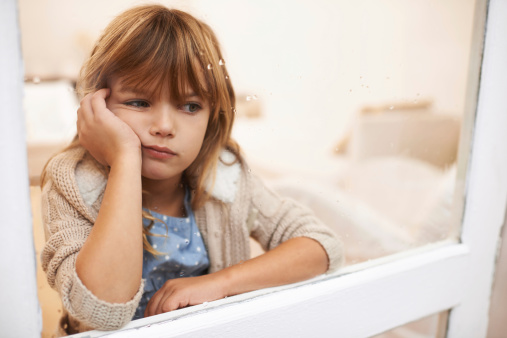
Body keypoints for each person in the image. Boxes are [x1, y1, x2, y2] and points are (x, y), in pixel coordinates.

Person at [40, 4, 343, 334]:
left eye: (190, 106)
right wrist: (125, 158)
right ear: (95, 105)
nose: (165, 126)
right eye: (139, 102)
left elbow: (322, 245)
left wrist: (220, 283)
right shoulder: (71, 181)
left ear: (212, 115)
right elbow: (102, 311)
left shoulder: (224, 175)